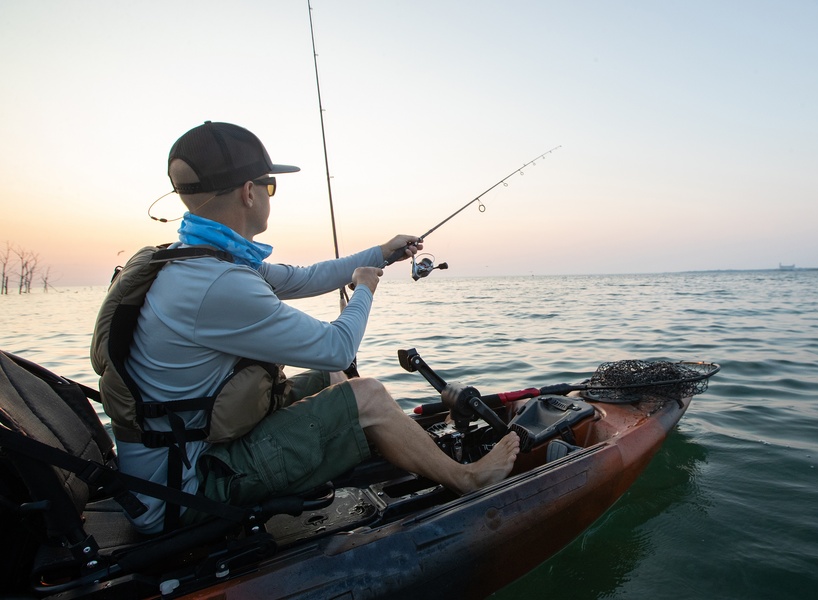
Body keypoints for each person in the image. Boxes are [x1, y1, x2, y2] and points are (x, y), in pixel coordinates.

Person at [101, 121, 519, 534]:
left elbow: (303, 277)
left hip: (174, 463)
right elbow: (337, 346)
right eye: (269, 186)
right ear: (249, 192)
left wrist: (381, 254)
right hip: (181, 494)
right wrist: (364, 290)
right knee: (366, 392)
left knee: (333, 379)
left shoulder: (195, 258)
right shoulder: (219, 284)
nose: (268, 195)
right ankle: (468, 479)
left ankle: (385, 446)